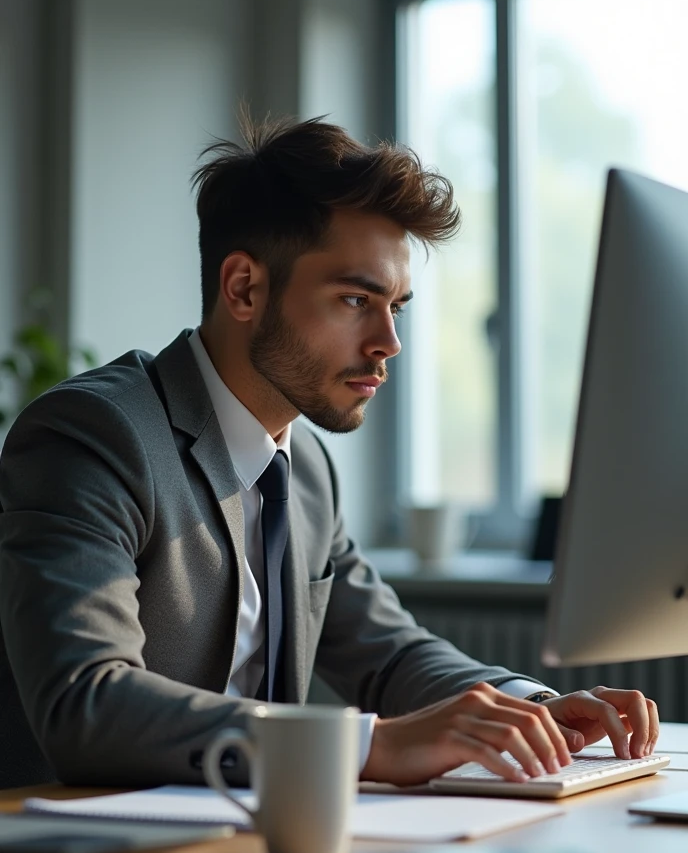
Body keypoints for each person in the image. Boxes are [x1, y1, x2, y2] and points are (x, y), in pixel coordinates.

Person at [0, 115, 658, 790]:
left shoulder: (304, 468)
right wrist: (365, 746)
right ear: (245, 288)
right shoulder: (92, 435)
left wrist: (534, 707)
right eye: (355, 299)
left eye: (396, 306)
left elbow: (389, 654)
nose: (388, 341)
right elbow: (86, 701)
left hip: (248, 851)